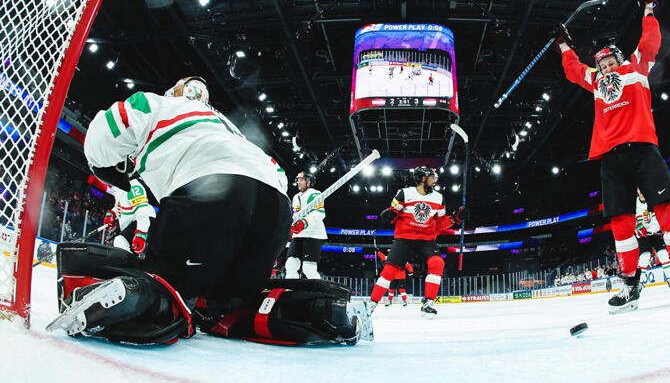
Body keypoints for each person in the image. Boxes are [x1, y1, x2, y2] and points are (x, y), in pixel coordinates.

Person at [47, 76, 372, 346]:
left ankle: (141, 296)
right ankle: (324, 309)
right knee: (229, 307)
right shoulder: (229, 127)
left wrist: (113, 171)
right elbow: (279, 176)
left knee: (170, 287)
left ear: (176, 91)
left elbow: (104, 133)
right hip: (273, 208)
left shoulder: (157, 103)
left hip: (210, 191)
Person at [556, 0, 670, 314]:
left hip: (643, 151)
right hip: (612, 160)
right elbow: (573, 69)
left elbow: (650, 40)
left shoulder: (636, 69)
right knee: (622, 224)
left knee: (668, 211)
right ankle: (629, 285)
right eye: (602, 62)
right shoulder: (596, 81)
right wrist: (564, 44)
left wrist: (648, 8)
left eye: (610, 59)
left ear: (619, 59)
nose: (606, 65)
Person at [367, 167, 466, 317]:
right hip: (404, 237)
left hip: (427, 239)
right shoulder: (404, 193)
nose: (435, 178)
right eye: (432, 176)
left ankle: (428, 303)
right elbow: (393, 212)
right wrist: (390, 215)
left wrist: (454, 219)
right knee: (389, 271)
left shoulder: (439, 198)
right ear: (422, 178)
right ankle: (372, 304)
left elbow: (439, 223)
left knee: (438, 263)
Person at [287, 171, 327, 279]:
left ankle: (318, 293)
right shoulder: (296, 197)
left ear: (308, 182)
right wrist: (291, 228)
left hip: (312, 234)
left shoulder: (315, 194)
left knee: (308, 268)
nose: (298, 182)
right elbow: (295, 215)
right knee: (290, 265)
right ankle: (290, 290)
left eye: (301, 180)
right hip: (298, 235)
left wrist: (304, 223)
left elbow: (319, 213)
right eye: (297, 180)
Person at [105, 177, 157, 256]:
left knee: (120, 241)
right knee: (121, 244)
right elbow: (120, 205)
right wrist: (112, 213)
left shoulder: (133, 186)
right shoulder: (118, 187)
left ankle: (129, 265)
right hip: (133, 222)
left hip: (144, 220)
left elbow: (142, 210)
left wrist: (141, 233)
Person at [635, 189, 670, 288]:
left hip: (656, 233)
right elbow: (631, 220)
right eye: (639, 189)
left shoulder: (654, 199)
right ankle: (640, 283)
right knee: (644, 257)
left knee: (663, 254)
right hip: (643, 236)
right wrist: (639, 228)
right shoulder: (634, 204)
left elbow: (662, 214)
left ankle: (669, 277)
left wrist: (663, 226)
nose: (641, 191)